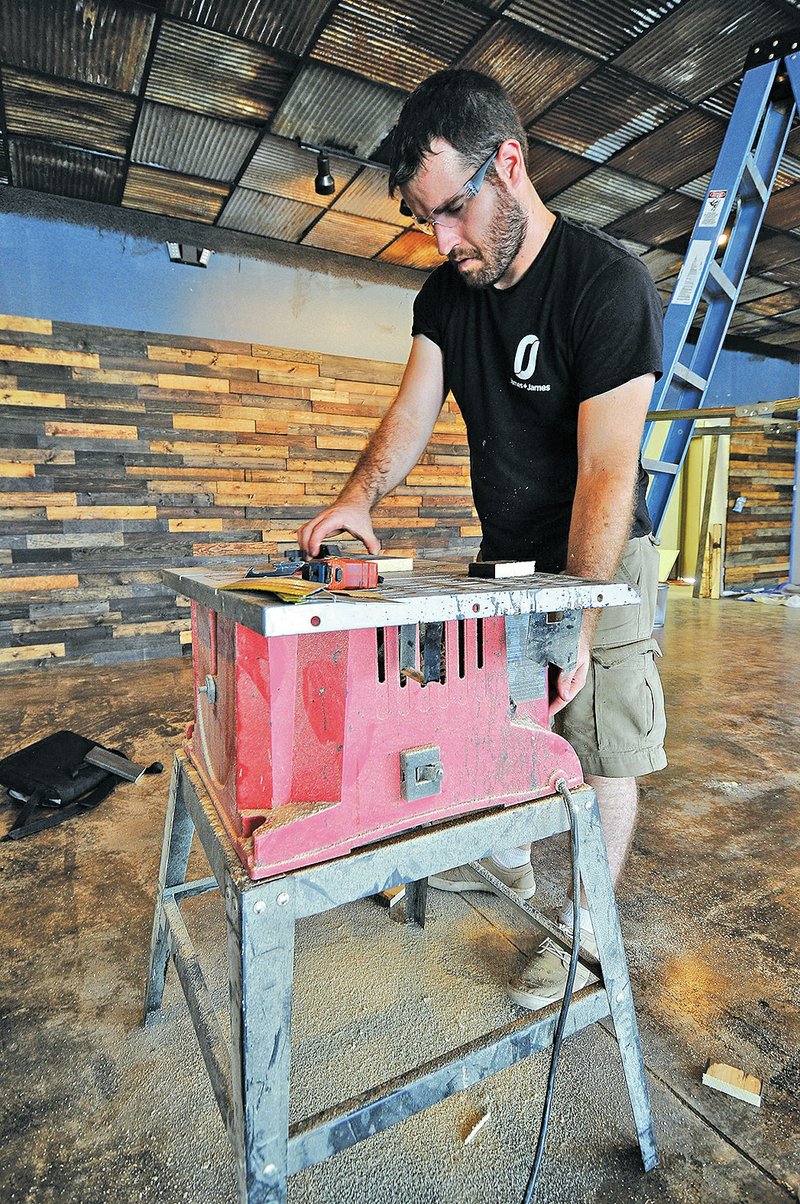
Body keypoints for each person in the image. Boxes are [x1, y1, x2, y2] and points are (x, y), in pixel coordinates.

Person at [297, 69, 667, 1011]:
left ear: (510, 164)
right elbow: (409, 417)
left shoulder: (604, 282)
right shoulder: (448, 296)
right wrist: (357, 501)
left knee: (594, 747)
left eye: (453, 212)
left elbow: (607, 468)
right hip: (507, 557)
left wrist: (577, 617)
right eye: (427, 219)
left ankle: (584, 940)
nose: (443, 240)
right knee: (491, 715)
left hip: (601, 556)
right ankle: (509, 867)